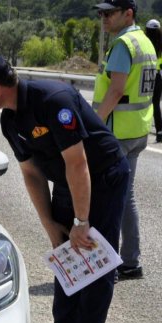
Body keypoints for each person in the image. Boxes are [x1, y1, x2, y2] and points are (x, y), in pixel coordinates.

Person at [0, 53, 130, 323]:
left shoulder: (54, 101)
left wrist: (82, 222)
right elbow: (32, 174)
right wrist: (50, 224)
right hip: (69, 179)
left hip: (102, 176)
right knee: (67, 254)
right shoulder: (9, 120)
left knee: (96, 258)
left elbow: (78, 162)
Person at [92, 0, 155, 281]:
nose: (103, 17)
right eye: (101, 13)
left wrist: (94, 126)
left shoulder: (123, 45)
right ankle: (130, 261)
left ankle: (111, 265)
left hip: (117, 134)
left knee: (110, 199)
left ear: (128, 13)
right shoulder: (146, 42)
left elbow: (116, 91)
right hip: (138, 130)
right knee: (125, 197)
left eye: (109, 13)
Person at [144, 18, 162, 142]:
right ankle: (160, 131)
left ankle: (144, 130)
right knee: (156, 104)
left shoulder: (145, 43)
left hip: (148, 75)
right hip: (159, 75)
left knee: (147, 103)